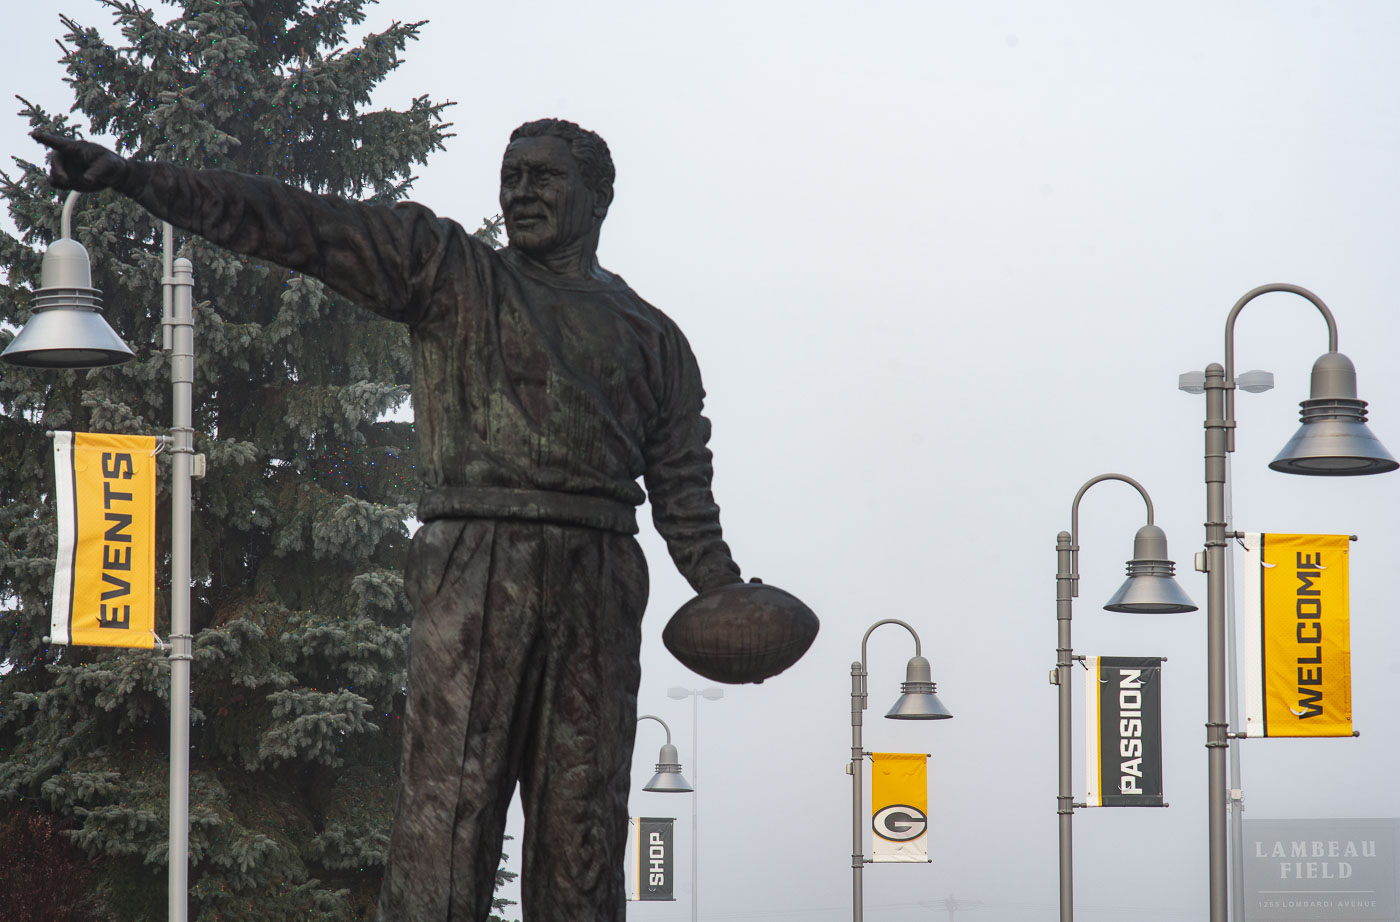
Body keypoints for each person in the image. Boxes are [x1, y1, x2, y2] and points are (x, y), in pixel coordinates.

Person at [35, 119, 742, 922]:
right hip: (474, 563)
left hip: (602, 577)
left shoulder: (655, 337)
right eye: (510, 175)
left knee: (585, 828)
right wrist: (136, 176)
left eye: (543, 177)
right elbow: (297, 223)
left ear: (597, 195)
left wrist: (722, 589)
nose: (520, 191)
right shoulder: (448, 270)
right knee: (446, 816)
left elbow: (685, 486)